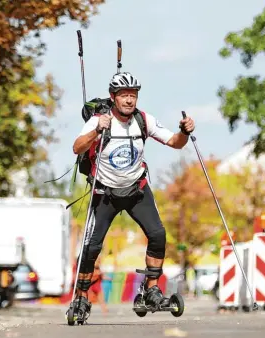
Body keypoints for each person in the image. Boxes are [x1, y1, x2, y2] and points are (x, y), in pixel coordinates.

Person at [72, 72, 195, 319]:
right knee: (91, 247)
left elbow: (174, 142)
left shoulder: (143, 120)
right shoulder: (100, 120)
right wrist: (96, 130)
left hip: (136, 190)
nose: (129, 100)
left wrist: (184, 131)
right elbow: (77, 147)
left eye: (133, 95)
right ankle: (81, 297)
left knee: (158, 234)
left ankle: (151, 290)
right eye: (124, 95)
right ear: (113, 97)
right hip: (104, 192)